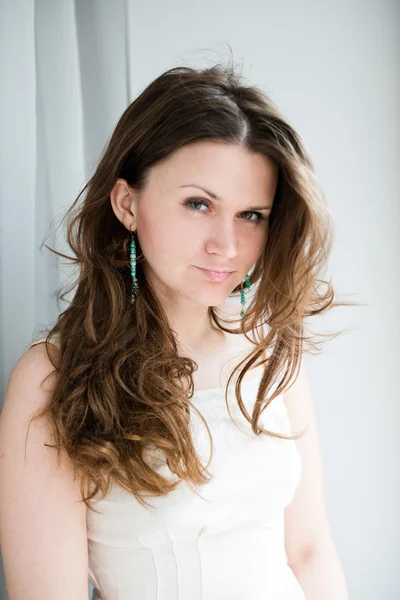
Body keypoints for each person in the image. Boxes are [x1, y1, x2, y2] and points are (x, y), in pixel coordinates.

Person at [0, 61, 350, 599]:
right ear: (126, 203)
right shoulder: (53, 377)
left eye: (251, 215)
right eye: (198, 204)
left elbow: (309, 551)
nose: (227, 246)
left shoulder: (272, 345)